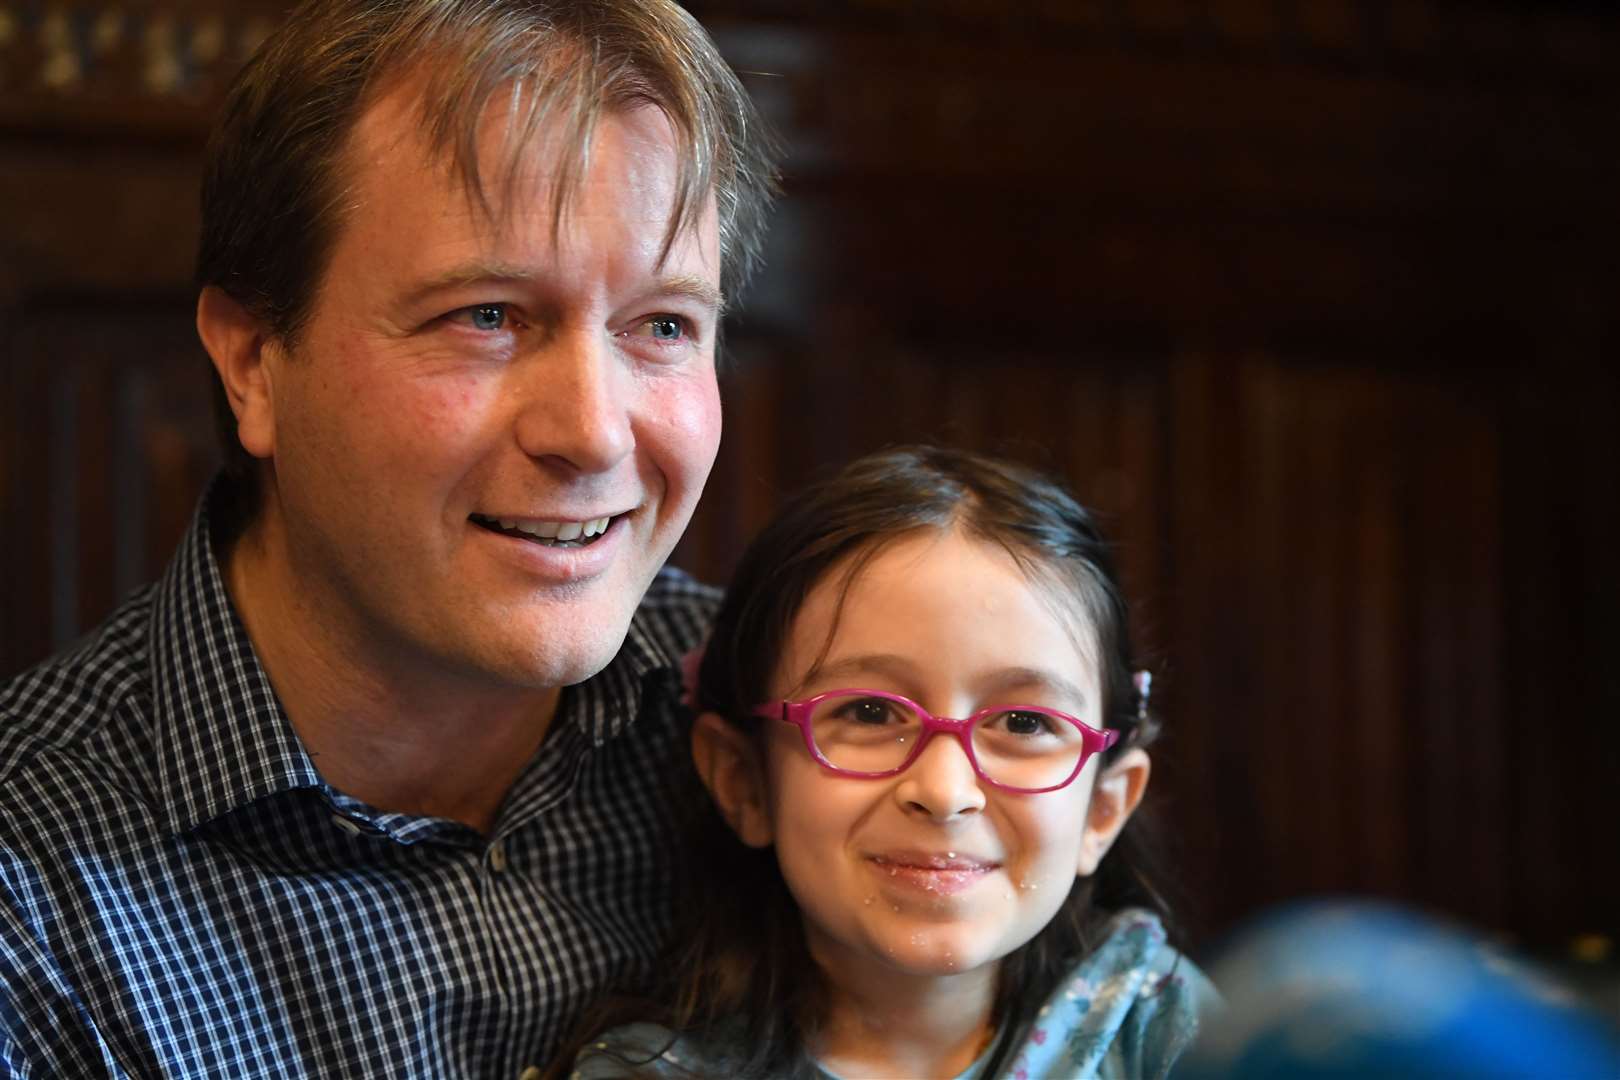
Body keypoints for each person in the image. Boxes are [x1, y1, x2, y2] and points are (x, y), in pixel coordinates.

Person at [0, 1, 777, 1075]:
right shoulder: (31, 901)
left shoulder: (794, 723)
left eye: (663, 326)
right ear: (253, 362)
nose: (595, 431)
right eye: (488, 315)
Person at [563, 446, 1219, 1080]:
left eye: (1024, 722)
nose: (943, 791)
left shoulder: (1168, 1035)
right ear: (746, 783)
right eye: (870, 713)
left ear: (1104, 808)